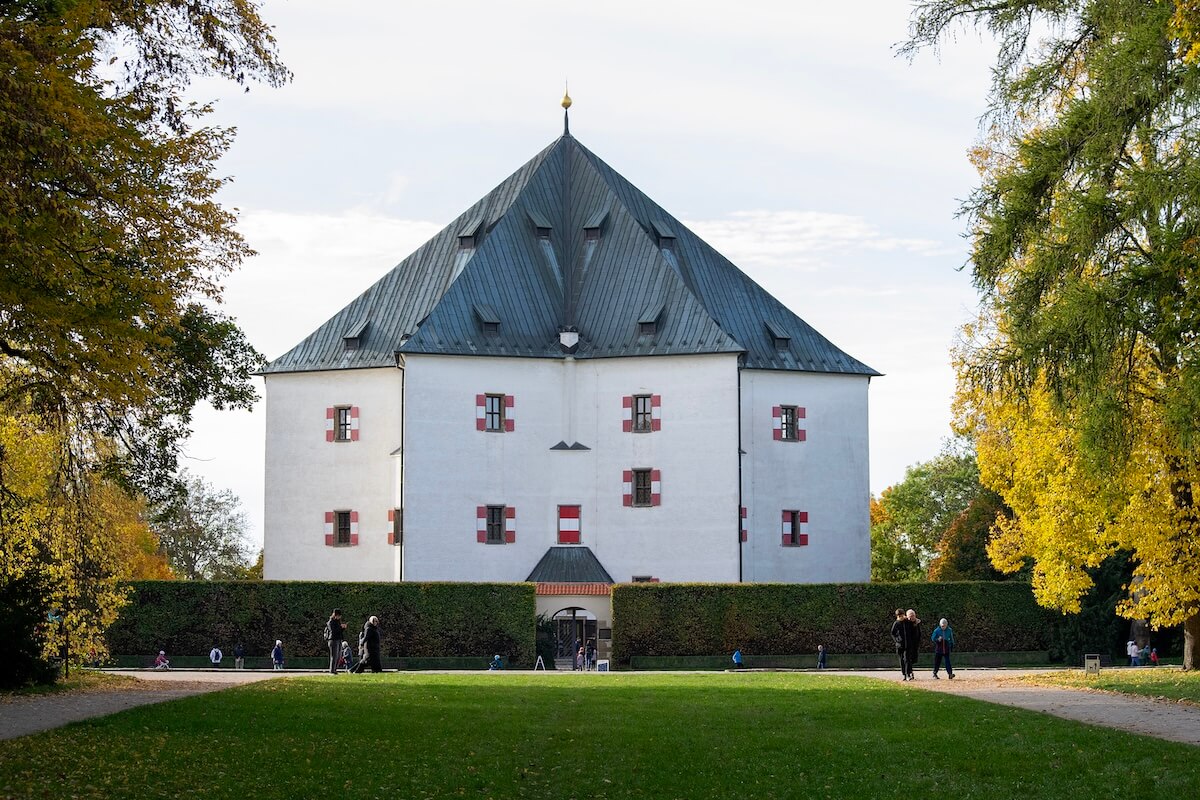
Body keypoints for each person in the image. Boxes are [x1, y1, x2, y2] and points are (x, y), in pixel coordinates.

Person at [326, 608, 346, 674]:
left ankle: (335, 669)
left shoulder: (338, 621)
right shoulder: (330, 622)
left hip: (338, 639)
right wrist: (340, 627)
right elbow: (333, 631)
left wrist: (343, 628)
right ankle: (332, 670)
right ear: (335, 615)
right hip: (333, 640)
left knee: (339, 656)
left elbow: (339, 631)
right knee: (334, 656)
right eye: (339, 616)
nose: (339, 617)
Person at [891, 609, 909, 680]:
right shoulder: (896, 623)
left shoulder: (907, 622)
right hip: (900, 645)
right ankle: (904, 674)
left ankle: (908, 673)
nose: (901, 617)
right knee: (901, 660)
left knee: (906, 659)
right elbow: (893, 633)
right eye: (899, 616)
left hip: (907, 644)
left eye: (902, 615)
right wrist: (897, 640)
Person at [904, 609, 922, 681]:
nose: (912, 617)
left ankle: (910, 672)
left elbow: (918, 633)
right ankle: (909, 673)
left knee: (913, 659)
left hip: (915, 643)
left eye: (913, 615)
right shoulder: (906, 623)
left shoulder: (916, 623)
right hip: (908, 644)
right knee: (908, 659)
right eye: (911, 616)